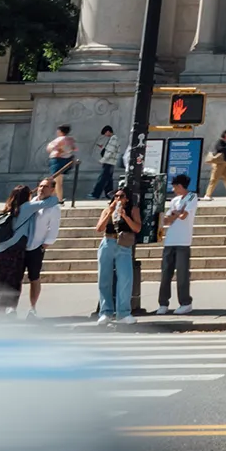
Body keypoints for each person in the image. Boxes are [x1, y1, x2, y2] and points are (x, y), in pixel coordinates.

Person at [0, 184, 54, 316]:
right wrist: (39, 196)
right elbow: (52, 201)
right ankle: (2, 312)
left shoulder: (7, 207)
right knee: (9, 281)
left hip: (0, 249)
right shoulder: (27, 207)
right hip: (14, 249)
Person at [94, 183, 138, 326]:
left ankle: (123, 312)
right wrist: (110, 212)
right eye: (116, 196)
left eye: (121, 196)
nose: (118, 198)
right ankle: (105, 312)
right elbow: (99, 228)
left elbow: (137, 228)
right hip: (108, 241)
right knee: (104, 278)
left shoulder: (133, 210)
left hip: (123, 244)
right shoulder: (108, 209)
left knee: (125, 278)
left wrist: (125, 216)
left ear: (127, 199)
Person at [157, 173, 197, 315]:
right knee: (165, 273)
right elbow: (167, 219)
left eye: (174, 187)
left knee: (182, 273)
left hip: (183, 241)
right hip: (170, 240)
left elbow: (184, 215)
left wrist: (176, 214)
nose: (173, 190)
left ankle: (185, 302)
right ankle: (163, 303)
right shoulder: (174, 200)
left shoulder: (192, 197)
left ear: (180, 186)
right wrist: (175, 214)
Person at [23, 177, 61, 318]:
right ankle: (11, 307)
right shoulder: (32, 203)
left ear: (52, 189)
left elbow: (53, 229)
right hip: (23, 244)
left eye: (45, 187)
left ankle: (32, 307)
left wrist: (44, 244)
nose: (41, 189)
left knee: (34, 277)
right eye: (40, 186)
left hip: (36, 245)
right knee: (16, 277)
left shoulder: (53, 208)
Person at [45, 125, 78, 200]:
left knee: (57, 181)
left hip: (57, 160)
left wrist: (60, 150)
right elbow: (74, 148)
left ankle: (59, 199)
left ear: (60, 131)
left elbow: (52, 148)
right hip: (66, 159)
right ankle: (54, 197)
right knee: (57, 181)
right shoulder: (70, 139)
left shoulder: (60, 139)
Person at [204, 128, 226, 198]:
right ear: (225, 134)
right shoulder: (219, 142)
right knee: (214, 179)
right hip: (219, 163)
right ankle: (207, 195)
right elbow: (219, 150)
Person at [90, 126, 117, 200]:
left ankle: (96, 194)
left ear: (108, 131)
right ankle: (109, 193)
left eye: (105, 133)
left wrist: (103, 159)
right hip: (110, 161)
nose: (105, 135)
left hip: (108, 161)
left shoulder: (113, 139)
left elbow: (110, 151)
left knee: (103, 178)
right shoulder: (113, 139)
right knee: (108, 178)